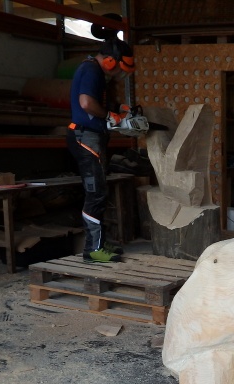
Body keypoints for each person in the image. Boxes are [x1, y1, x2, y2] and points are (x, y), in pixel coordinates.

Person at [67, 38, 135, 263]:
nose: (119, 74)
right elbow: (86, 103)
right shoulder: (91, 70)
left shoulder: (94, 71)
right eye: (119, 68)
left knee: (99, 192)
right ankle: (93, 249)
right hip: (85, 137)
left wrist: (116, 110)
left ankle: (99, 242)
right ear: (109, 61)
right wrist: (108, 116)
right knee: (95, 194)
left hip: (91, 136)